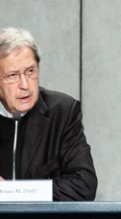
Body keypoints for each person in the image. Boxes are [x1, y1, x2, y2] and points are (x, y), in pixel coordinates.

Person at [0, 27, 97, 201]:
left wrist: (13, 192)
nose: (25, 85)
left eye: (30, 71)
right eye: (13, 75)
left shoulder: (62, 112)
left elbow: (84, 185)